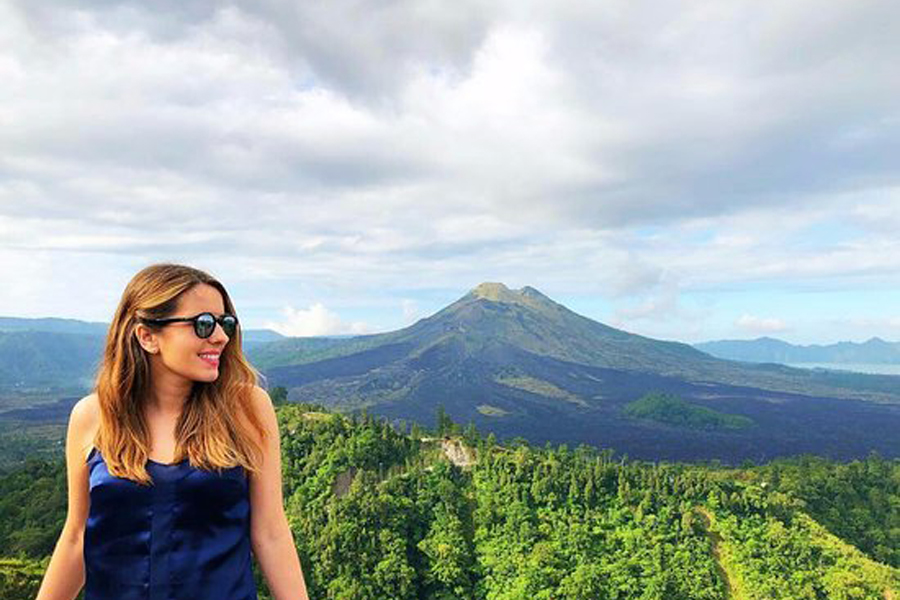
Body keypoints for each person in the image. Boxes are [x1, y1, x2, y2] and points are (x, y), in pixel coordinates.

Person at [35, 263, 310, 600]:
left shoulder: (247, 407)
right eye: (203, 324)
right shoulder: (91, 416)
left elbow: (270, 533)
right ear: (147, 336)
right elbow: (78, 535)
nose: (221, 336)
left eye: (225, 323)